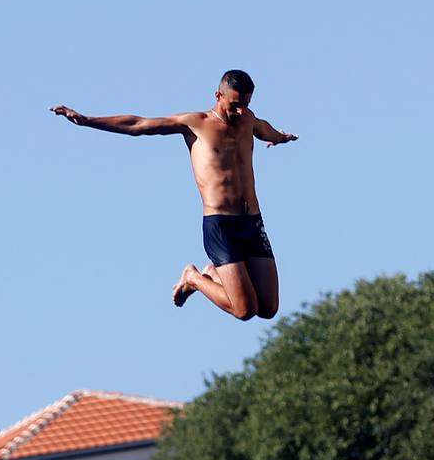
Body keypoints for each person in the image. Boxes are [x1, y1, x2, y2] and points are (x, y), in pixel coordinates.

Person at [50, 69, 297, 321]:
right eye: (235, 105)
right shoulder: (195, 124)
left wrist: (279, 137)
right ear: (218, 96)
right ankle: (194, 278)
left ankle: (213, 273)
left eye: (246, 105)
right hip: (221, 225)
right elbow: (139, 125)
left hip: (252, 221)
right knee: (245, 311)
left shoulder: (247, 119)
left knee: (267, 309)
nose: (241, 112)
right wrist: (87, 120)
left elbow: (261, 127)